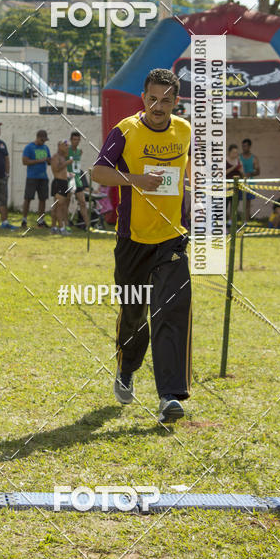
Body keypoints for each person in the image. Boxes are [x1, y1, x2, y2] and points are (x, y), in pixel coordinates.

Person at [92, 67, 192, 425]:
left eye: (166, 100)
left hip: (172, 239)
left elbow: (186, 176)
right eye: (152, 98)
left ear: (175, 101)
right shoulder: (126, 131)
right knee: (135, 314)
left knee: (171, 313)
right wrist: (136, 180)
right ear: (144, 97)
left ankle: (169, 397)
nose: (158, 106)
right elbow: (99, 172)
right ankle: (126, 369)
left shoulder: (185, 130)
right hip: (133, 241)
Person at [21, 130, 51, 229]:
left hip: (43, 177)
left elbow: (49, 161)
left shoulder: (46, 148)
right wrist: (39, 160)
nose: (43, 142)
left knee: (43, 199)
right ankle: (24, 220)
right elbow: (24, 161)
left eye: (45, 140)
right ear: (37, 138)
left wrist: (50, 160)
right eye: (42, 140)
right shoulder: (29, 147)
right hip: (32, 177)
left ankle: (41, 221)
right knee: (28, 198)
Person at [68, 131, 95, 232]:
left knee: (83, 202)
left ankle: (88, 226)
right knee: (66, 202)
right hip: (68, 179)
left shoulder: (80, 151)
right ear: (71, 140)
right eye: (74, 140)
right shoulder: (67, 150)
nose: (76, 142)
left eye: (78, 140)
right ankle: (65, 225)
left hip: (77, 179)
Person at [50, 139, 72, 235]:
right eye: (65, 145)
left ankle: (53, 227)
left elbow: (62, 171)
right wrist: (67, 163)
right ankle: (61, 229)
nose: (67, 147)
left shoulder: (63, 157)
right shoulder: (56, 157)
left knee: (56, 206)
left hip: (63, 182)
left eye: (67, 145)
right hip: (58, 183)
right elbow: (56, 169)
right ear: (59, 146)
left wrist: (69, 174)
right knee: (60, 206)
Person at [239, 138, 259, 218]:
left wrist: (249, 174)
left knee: (247, 204)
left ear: (250, 146)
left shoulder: (254, 158)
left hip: (250, 184)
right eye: (243, 146)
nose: (244, 148)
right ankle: (233, 222)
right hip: (239, 183)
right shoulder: (238, 157)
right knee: (236, 202)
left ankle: (246, 222)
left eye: (245, 146)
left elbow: (258, 171)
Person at [226, 144, 244, 224]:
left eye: (236, 152)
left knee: (234, 205)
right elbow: (223, 173)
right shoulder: (224, 160)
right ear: (229, 152)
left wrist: (240, 169)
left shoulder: (239, 161)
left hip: (236, 186)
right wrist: (234, 167)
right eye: (233, 152)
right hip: (226, 186)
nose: (235, 154)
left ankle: (231, 221)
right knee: (225, 204)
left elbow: (243, 174)